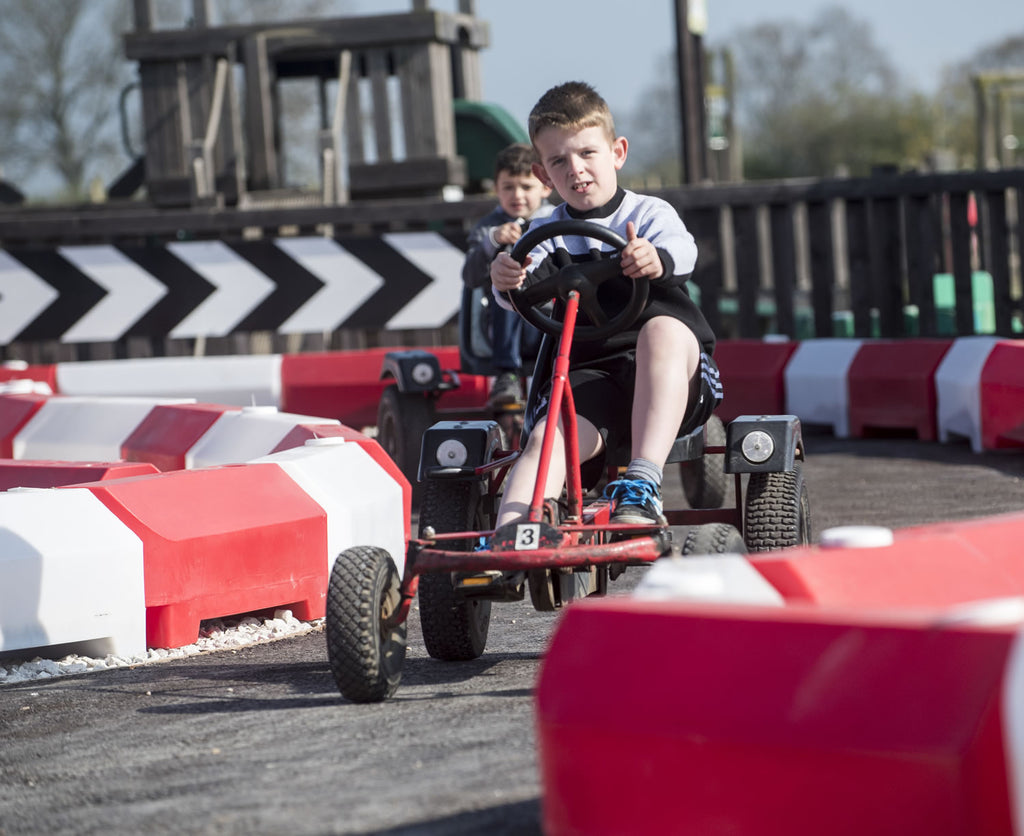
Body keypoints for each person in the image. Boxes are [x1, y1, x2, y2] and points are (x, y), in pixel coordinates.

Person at [489, 81, 722, 527]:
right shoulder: (544, 230)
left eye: (587, 154)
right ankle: (510, 538)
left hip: (674, 374)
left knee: (664, 329)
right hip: (591, 374)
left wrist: (655, 258)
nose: (575, 170)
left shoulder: (649, 214)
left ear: (617, 153)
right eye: (559, 161)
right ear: (543, 175)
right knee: (545, 438)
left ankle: (642, 484)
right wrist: (507, 277)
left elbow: (683, 251)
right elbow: (519, 287)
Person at [462, 143, 553, 407]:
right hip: (503, 324)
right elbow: (469, 276)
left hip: (549, 318)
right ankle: (507, 375)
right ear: (496, 189)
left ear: (545, 187)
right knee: (507, 289)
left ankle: (558, 378)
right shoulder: (488, 227)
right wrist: (491, 242)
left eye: (526, 186)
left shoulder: (556, 221)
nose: (517, 195)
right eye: (508, 187)